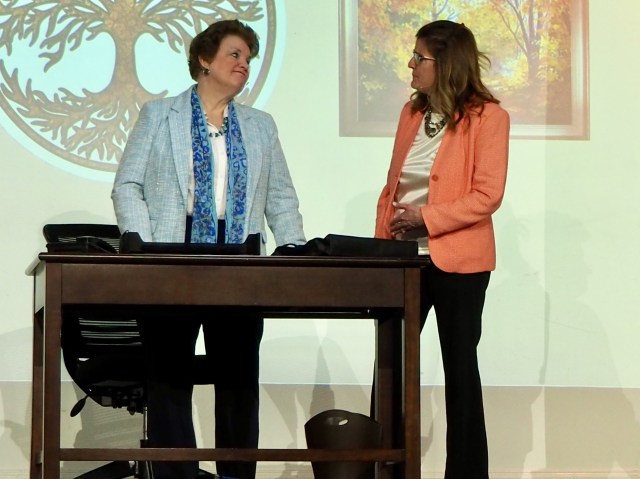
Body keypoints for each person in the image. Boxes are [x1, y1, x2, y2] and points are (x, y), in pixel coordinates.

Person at [112, 19, 305, 479]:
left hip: (239, 260)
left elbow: (280, 196)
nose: (244, 65)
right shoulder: (160, 115)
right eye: (235, 55)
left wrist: (294, 249)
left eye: (249, 59)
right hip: (170, 257)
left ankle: (235, 476)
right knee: (169, 377)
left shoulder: (260, 126)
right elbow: (128, 184)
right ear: (204, 59)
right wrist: (140, 242)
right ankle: (178, 476)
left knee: (238, 379)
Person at [374, 20, 509, 479]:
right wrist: (381, 249)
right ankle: (385, 468)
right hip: (402, 260)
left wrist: (426, 218)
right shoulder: (411, 113)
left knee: (460, 368)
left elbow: (487, 195)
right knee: (390, 367)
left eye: (420, 57)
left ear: (447, 63)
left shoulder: (489, 117)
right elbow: (393, 187)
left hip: (459, 261)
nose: (410, 64)